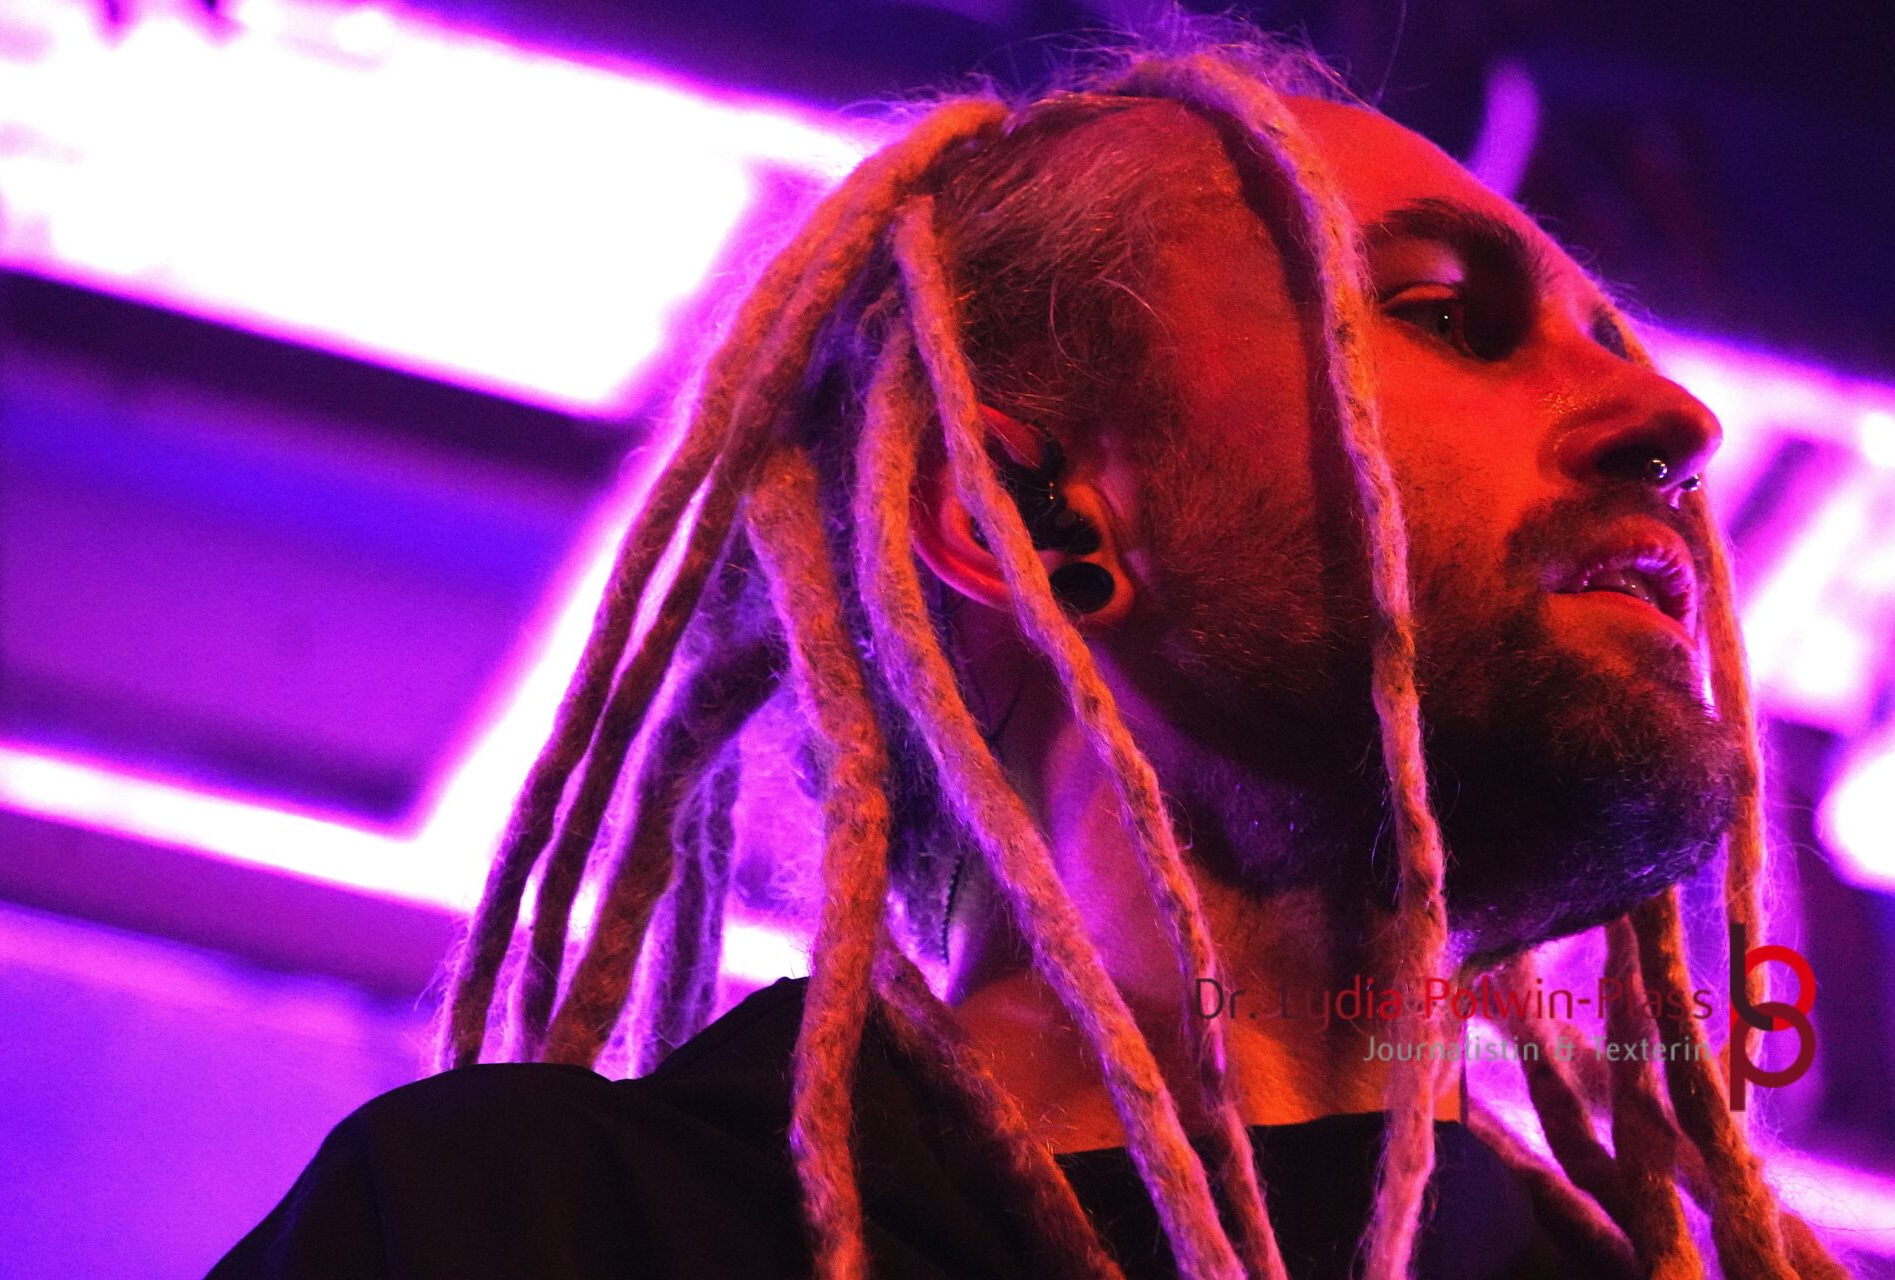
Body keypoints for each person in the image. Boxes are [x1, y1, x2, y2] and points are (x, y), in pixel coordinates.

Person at [208, 29, 1854, 1280]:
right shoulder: (539, 1232)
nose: (1674, 421)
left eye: (1614, 346)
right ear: (1020, 515)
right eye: (1438, 314)